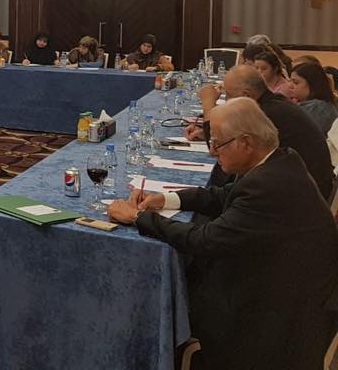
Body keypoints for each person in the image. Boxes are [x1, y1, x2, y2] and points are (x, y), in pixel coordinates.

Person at [108, 97, 338, 370]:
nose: (212, 152)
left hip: (277, 315)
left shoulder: (267, 186)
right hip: (284, 282)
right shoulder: (279, 160)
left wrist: (137, 217)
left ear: (246, 143)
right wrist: (165, 199)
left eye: (218, 143)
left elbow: (204, 240)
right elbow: (221, 196)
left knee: (165, 292)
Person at [190, 65, 333, 199]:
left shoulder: (265, 114)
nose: (226, 100)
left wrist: (208, 104)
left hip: (300, 197)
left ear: (246, 96)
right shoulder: (274, 104)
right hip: (299, 184)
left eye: (228, 95)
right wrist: (213, 134)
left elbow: (218, 151)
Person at [288, 62, 338, 135]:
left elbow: (300, 135)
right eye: (290, 81)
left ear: (312, 84)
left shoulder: (320, 108)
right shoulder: (304, 103)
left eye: (296, 83)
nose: (290, 86)